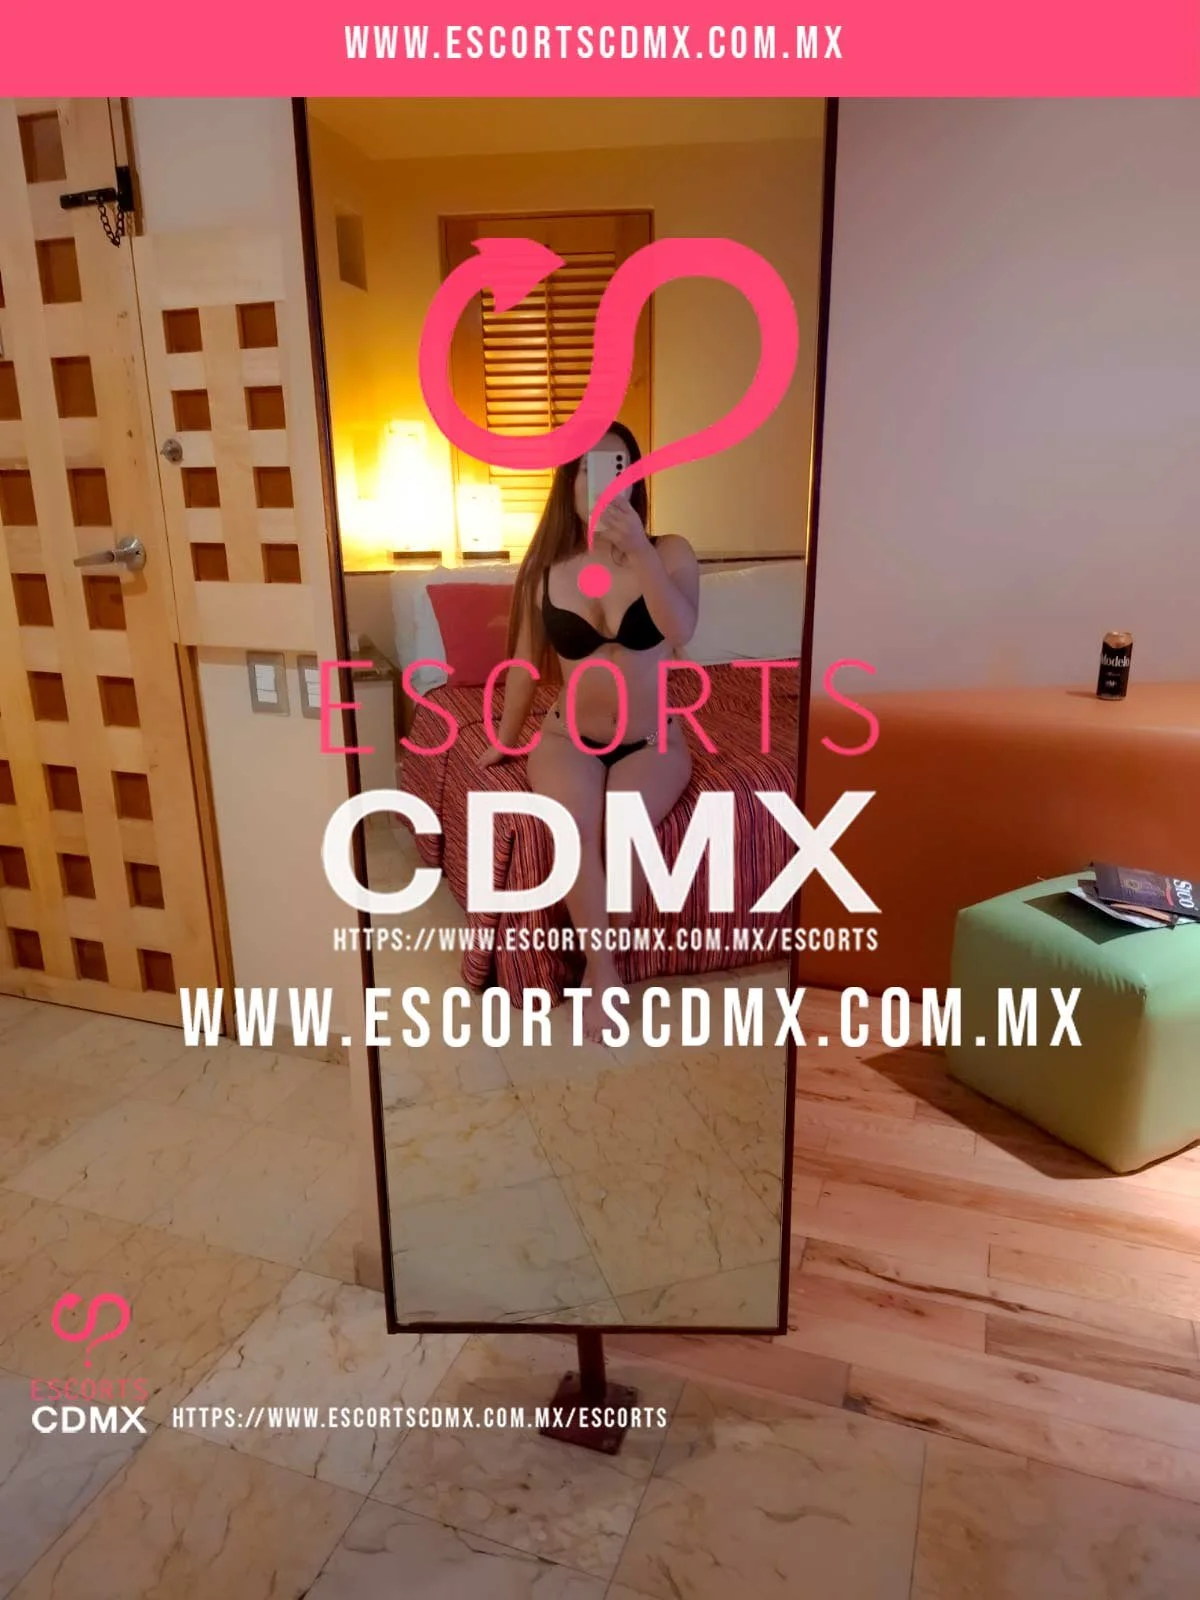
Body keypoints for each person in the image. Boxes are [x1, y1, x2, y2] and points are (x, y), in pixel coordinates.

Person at [478, 423, 700, 1040]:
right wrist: (505, 736)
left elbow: (682, 629)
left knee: (627, 826)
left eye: (619, 466)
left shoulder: (671, 552)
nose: (603, 481)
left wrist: (642, 554)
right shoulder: (545, 570)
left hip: (650, 739)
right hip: (566, 737)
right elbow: (524, 665)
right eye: (588, 469)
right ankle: (604, 974)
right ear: (569, 484)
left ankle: (601, 971)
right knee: (573, 825)